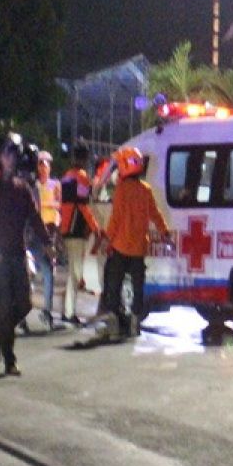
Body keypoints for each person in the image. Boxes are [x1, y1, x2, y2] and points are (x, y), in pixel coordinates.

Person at [0, 135, 50, 376]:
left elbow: (35, 219)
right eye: (7, 154)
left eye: (13, 154)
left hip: (18, 255)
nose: (11, 158)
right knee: (4, 309)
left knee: (25, 304)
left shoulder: (22, 189)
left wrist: (48, 243)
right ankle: (10, 358)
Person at [82, 146, 170, 344]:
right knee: (138, 288)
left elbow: (116, 220)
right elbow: (156, 215)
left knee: (113, 285)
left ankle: (114, 324)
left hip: (121, 247)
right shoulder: (145, 190)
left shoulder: (122, 190)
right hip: (139, 248)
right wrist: (165, 233)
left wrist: (107, 241)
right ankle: (134, 324)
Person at [60, 143, 101, 324]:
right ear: (85, 159)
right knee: (75, 273)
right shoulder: (82, 177)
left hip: (66, 228)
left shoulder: (67, 177)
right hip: (77, 230)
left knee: (72, 271)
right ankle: (69, 314)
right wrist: (96, 227)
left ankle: (67, 310)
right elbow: (83, 205)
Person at [31, 151, 62, 330]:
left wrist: (46, 205)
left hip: (50, 231)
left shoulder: (54, 185)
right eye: (40, 164)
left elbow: (60, 204)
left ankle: (47, 311)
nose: (43, 167)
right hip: (36, 233)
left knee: (49, 272)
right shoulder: (33, 186)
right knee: (36, 271)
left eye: (46, 164)